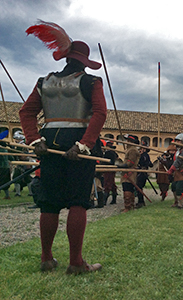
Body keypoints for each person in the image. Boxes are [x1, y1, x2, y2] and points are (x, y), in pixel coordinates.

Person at [19, 21, 107, 274]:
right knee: (78, 202)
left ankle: (47, 258)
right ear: (84, 62)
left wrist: (35, 139)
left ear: (66, 58)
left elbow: (26, 113)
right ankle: (76, 263)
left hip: (49, 143)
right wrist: (85, 144)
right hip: (79, 142)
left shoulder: (44, 82)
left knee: (49, 202)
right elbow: (100, 114)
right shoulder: (92, 82)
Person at [167, 133, 183, 209]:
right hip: (177, 173)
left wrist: (171, 169)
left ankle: (180, 203)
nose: (177, 142)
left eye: (179, 141)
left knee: (179, 188)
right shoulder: (176, 151)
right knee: (174, 187)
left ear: (182, 142)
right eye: (176, 141)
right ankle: (176, 201)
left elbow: (179, 161)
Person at [120, 134, 141, 212]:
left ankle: (128, 206)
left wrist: (122, 166)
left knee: (127, 189)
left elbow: (131, 162)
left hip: (130, 172)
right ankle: (130, 206)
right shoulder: (130, 149)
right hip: (127, 171)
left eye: (127, 140)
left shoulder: (132, 150)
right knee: (128, 188)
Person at [136, 141, 153, 208]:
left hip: (142, 172)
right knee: (139, 187)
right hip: (142, 172)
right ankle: (140, 201)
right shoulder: (145, 155)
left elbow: (143, 163)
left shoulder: (144, 155)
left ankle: (141, 202)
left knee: (139, 187)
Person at [103, 141, 118, 205]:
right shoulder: (113, 153)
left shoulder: (108, 153)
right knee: (112, 184)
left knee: (107, 183)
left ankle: (104, 201)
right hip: (111, 170)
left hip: (108, 169)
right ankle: (114, 200)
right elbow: (117, 157)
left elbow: (104, 161)